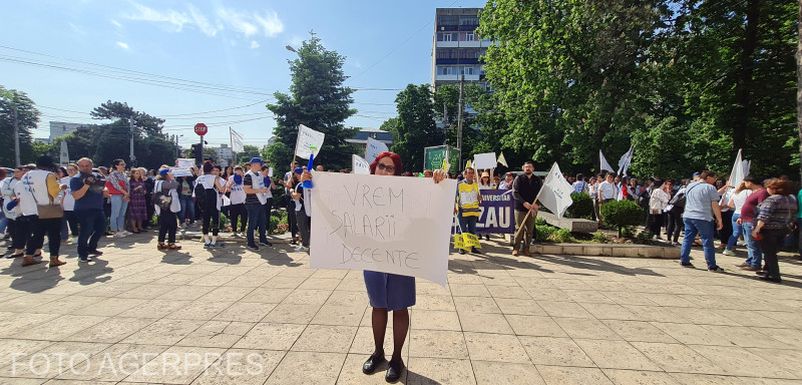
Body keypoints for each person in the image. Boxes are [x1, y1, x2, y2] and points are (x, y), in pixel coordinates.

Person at [350, 151, 447, 382]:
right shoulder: (358, 191)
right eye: (381, 166)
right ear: (374, 168)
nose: (384, 171)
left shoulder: (407, 193)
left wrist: (438, 184)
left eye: (390, 168)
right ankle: (378, 352)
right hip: (373, 259)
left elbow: (431, 205)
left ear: (397, 172)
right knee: (378, 306)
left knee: (400, 307)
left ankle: (396, 358)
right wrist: (309, 180)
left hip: (401, 258)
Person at [17, 156, 66, 267]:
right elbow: (53, 192)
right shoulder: (49, 175)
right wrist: (61, 186)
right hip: (48, 209)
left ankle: (28, 256)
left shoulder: (26, 175)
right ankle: (54, 258)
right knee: (54, 235)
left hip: (31, 209)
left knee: (36, 235)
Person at [679, 170, 724, 272]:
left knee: (687, 239)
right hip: (703, 217)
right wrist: (719, 219)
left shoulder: (690, 185)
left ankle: (684, 260)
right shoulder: (710, 188)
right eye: (714, 178)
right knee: (707, 241)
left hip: (688, 215)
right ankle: (712, 265)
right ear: (708, 177)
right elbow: (715, 205)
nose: (715, 180)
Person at [752, 179, 796, 283]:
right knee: (772, 251)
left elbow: (764, 216)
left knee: (769, 253)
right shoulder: (791, 199)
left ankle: (775, 275)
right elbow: (793, 215)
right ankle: (767, 271)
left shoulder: (772, 199)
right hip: (784, 229)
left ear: (774, 189)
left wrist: (756, 229)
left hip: (769, 229)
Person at [71, 158, 107, 263]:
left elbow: (103, 187)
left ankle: (91, 248)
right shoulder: (76, 179)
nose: (85, 168)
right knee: (85, 231)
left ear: (91, 165)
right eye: (82, 166)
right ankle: (82, 254)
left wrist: (105, 191)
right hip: (83, 209)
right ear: (78, 167)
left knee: (101, 229)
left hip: (98, 207)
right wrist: (86, 185)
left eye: (87, 165)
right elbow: (76, 196)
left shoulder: (98, 176)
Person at [737, 176, 769, 270]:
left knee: (753, 244)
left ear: (750, 182)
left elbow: (761, 207)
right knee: (749, 243)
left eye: (745, 182)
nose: (744, 184)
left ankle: (755, 263)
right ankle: (750, 260)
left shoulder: (762, 192)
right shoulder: (753, 192)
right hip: (746, 220)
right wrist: (742, 217)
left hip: (752, 221)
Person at [512, 161, 541, 256]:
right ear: (523, 168)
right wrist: (524, 202)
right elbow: (515, 193)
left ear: (533, 168)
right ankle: (516, 248)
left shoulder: (537, 180)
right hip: (520, 208)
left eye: (530, 167)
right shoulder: (519, 178)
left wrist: (537, 204)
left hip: (532, 209)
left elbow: (541, 194)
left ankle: (526, 248)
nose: (528, 168)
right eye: (526, 167)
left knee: (530, 230)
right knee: (519, 229)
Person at [195, 162, 225, 248]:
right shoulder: (213, 178)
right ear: (211, 169)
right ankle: (213, 241)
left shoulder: (199, 178)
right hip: (213, 202)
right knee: (215, 220)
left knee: (205, 221)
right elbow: (221, 189)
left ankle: (207, 240)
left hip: (203, 203)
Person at [243, 157, 271, 250]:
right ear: (254, 165)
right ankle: (250, 242)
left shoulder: (259, 174)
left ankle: (262, 240)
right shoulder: (248, 175)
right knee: (252, 223)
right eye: (260, 164)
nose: (261, 166)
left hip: (261, 201)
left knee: (262, 222)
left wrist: (264, 190)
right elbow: (247, 190)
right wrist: (260, 190)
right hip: (252, 203)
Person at [3, 165, 27, 258]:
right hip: (11, 207)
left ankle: (25, 248)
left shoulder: (25, 182)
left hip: (24, 210)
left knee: (24, 230)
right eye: (15, 172)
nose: (15, 173)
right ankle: (17, 246)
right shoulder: (9, 181)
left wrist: (13, 193)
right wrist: (13, 193)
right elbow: (3, 191)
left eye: (18, 171)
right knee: (13, 228)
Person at [154, 167, 182, 250]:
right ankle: (171, 242)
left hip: (163, 206)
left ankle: (161, 242)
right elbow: (175, 185)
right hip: (168, 207)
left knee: (164, 225)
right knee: (172, 225)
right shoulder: (164, 183)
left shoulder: (158, 182)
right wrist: (173, 179)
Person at [457, 167, 483, 254]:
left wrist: (480, 198)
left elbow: (479, 198)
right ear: (465, 174)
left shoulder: (476, 185)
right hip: (462, 211)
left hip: (473, 212)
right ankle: (461, 247)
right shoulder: (459, 184)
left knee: (472, 230)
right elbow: (455, 197)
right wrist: (455, 207)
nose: (471, 174)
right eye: (469, 173)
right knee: (462, 230)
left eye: (472, 173)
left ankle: (472, 247)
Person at [724, 181, 753, 256]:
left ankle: (728, 248)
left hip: (735, 213)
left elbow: (730, 205)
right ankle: (752, 252)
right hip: (745, 214)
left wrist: (737, 207)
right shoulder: (749, 192)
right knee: (747, 234)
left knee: (735, 233)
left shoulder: (735, 193)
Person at [292, 167, 311, 251]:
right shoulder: (310, 184)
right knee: (308, 228)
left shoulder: (300, 185)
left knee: (302, 228)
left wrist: (291, 192)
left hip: (301, 209)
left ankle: (305, 245)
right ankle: (308, 244)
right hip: (309, 209)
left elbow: (296, 197)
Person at [59, 164, 79, 243]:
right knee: (71, 222)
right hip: (67, 205)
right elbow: (61, 194)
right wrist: (61, 204)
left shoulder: (80, 179)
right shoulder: (63, 180)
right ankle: (75, 236)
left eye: (72, 169)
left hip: (78, 204)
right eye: (68, 170)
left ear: (76, 170)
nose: (70, 171)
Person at [226, 165, 247, 237]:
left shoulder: (245, 178)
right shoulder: (231, 178)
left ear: (242, 171)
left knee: (244, 217)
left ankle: (243, 230)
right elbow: (227, 189)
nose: (238, 173)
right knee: (233, 217)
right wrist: (233, 182)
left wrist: (242, 177)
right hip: (233, 200)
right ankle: (234, 231)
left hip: (243, 200)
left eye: (239, 171)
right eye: (236, 171)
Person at [284, 161, 300, 245]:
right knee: (292, 218)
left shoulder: (300, 175)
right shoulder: (288, 174)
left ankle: (300, 236)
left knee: (300, 219)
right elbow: (287, 185)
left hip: (299, 200)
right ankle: (294, 237)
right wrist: (291, 176)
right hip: (290, 198)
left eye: (295, 167)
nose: (293, 168)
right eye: (292, 166)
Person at [128, 168, 148, 233]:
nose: (138, 175)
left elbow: (144, 188)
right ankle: (134, 227)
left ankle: (140, 227)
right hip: (134, 199)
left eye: (139, 173)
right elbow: (129, 191)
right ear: (133, 174)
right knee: (134, 213)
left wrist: (144, 191)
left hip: (141, 198)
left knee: (141, 212)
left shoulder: (141, 181)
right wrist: (136, 188)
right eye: (136, 173)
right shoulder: (130, 181)